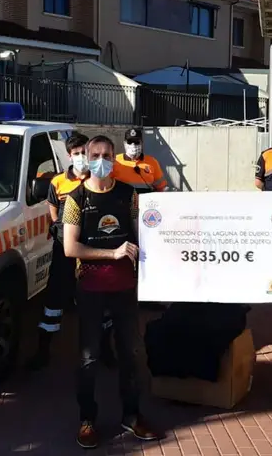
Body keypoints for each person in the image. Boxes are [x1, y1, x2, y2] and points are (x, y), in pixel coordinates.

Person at [63, 135, 160, 449]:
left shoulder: (128, 194)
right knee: (89, 358)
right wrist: (112, 253)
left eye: (107, 154)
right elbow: (70, 247)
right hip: (90, 287)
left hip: (125, 288)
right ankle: (87, 420)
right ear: (87, 159)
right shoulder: (76, 198)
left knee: (131, 353)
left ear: (114, 157)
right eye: (96, 155)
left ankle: (132, 416)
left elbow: (141, 232)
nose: (102, 161)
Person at [26, 132, 115, 370]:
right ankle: (43, 351)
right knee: (54, 299)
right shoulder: (58, 182)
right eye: (75, 154)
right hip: (65, 250)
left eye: (83, 153)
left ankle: (106, 349)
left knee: (101, 300)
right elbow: (54, 213)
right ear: (69, 156)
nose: (80, 158)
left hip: (92, 249)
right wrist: (62, 234)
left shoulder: (97, 178)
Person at [113, 128, 169, 193]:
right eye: (130, 142)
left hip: (145, 201)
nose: (133, 145)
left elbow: (161, 187)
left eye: (136, 142)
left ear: (142, 143)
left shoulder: (152, 162)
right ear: (124, 143)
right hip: (122, 201)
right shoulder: (115, 160)